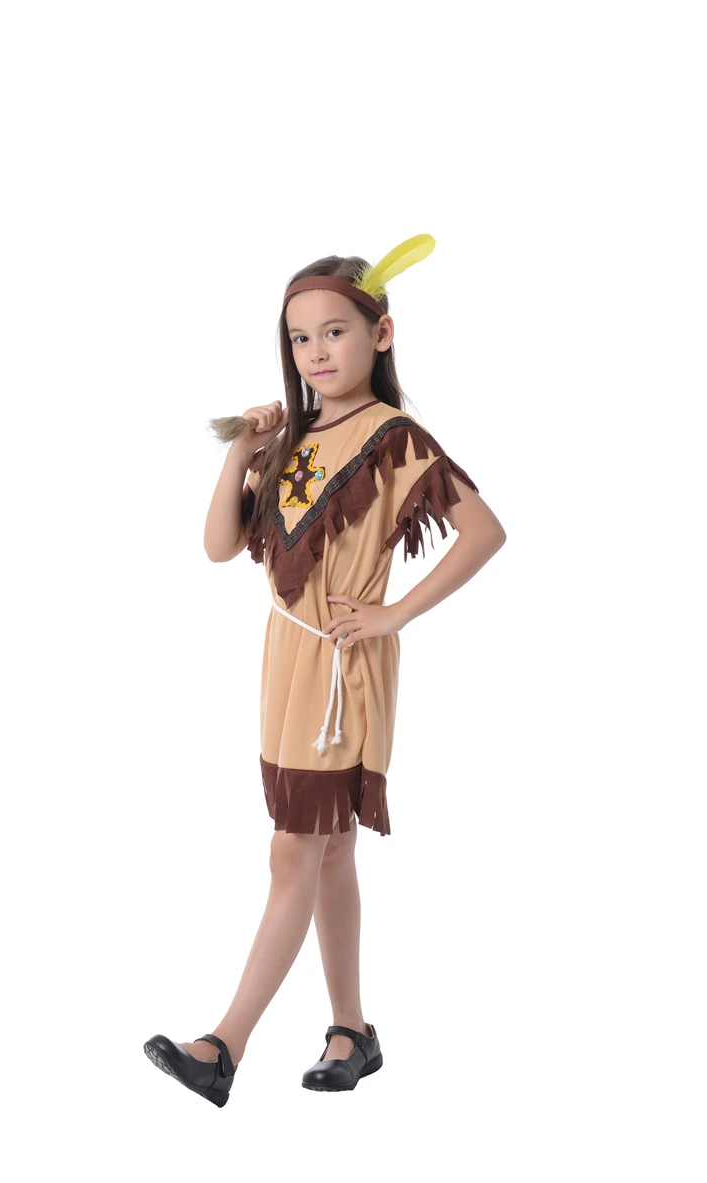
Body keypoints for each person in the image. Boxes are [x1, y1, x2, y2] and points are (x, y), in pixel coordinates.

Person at [144, 236, 507, 1106]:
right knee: (330, 846)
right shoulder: (297, 436)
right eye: (301, 337)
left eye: (335, 332)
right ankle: (353, 1032)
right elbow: (219, 546)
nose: (316, 352)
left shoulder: (393, 437)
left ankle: (222, 1046)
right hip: (288, 659)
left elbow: (485, 531)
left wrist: (393, 612)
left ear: (381, 334)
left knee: (292, 851)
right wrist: (243, 450)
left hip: (344, 668)